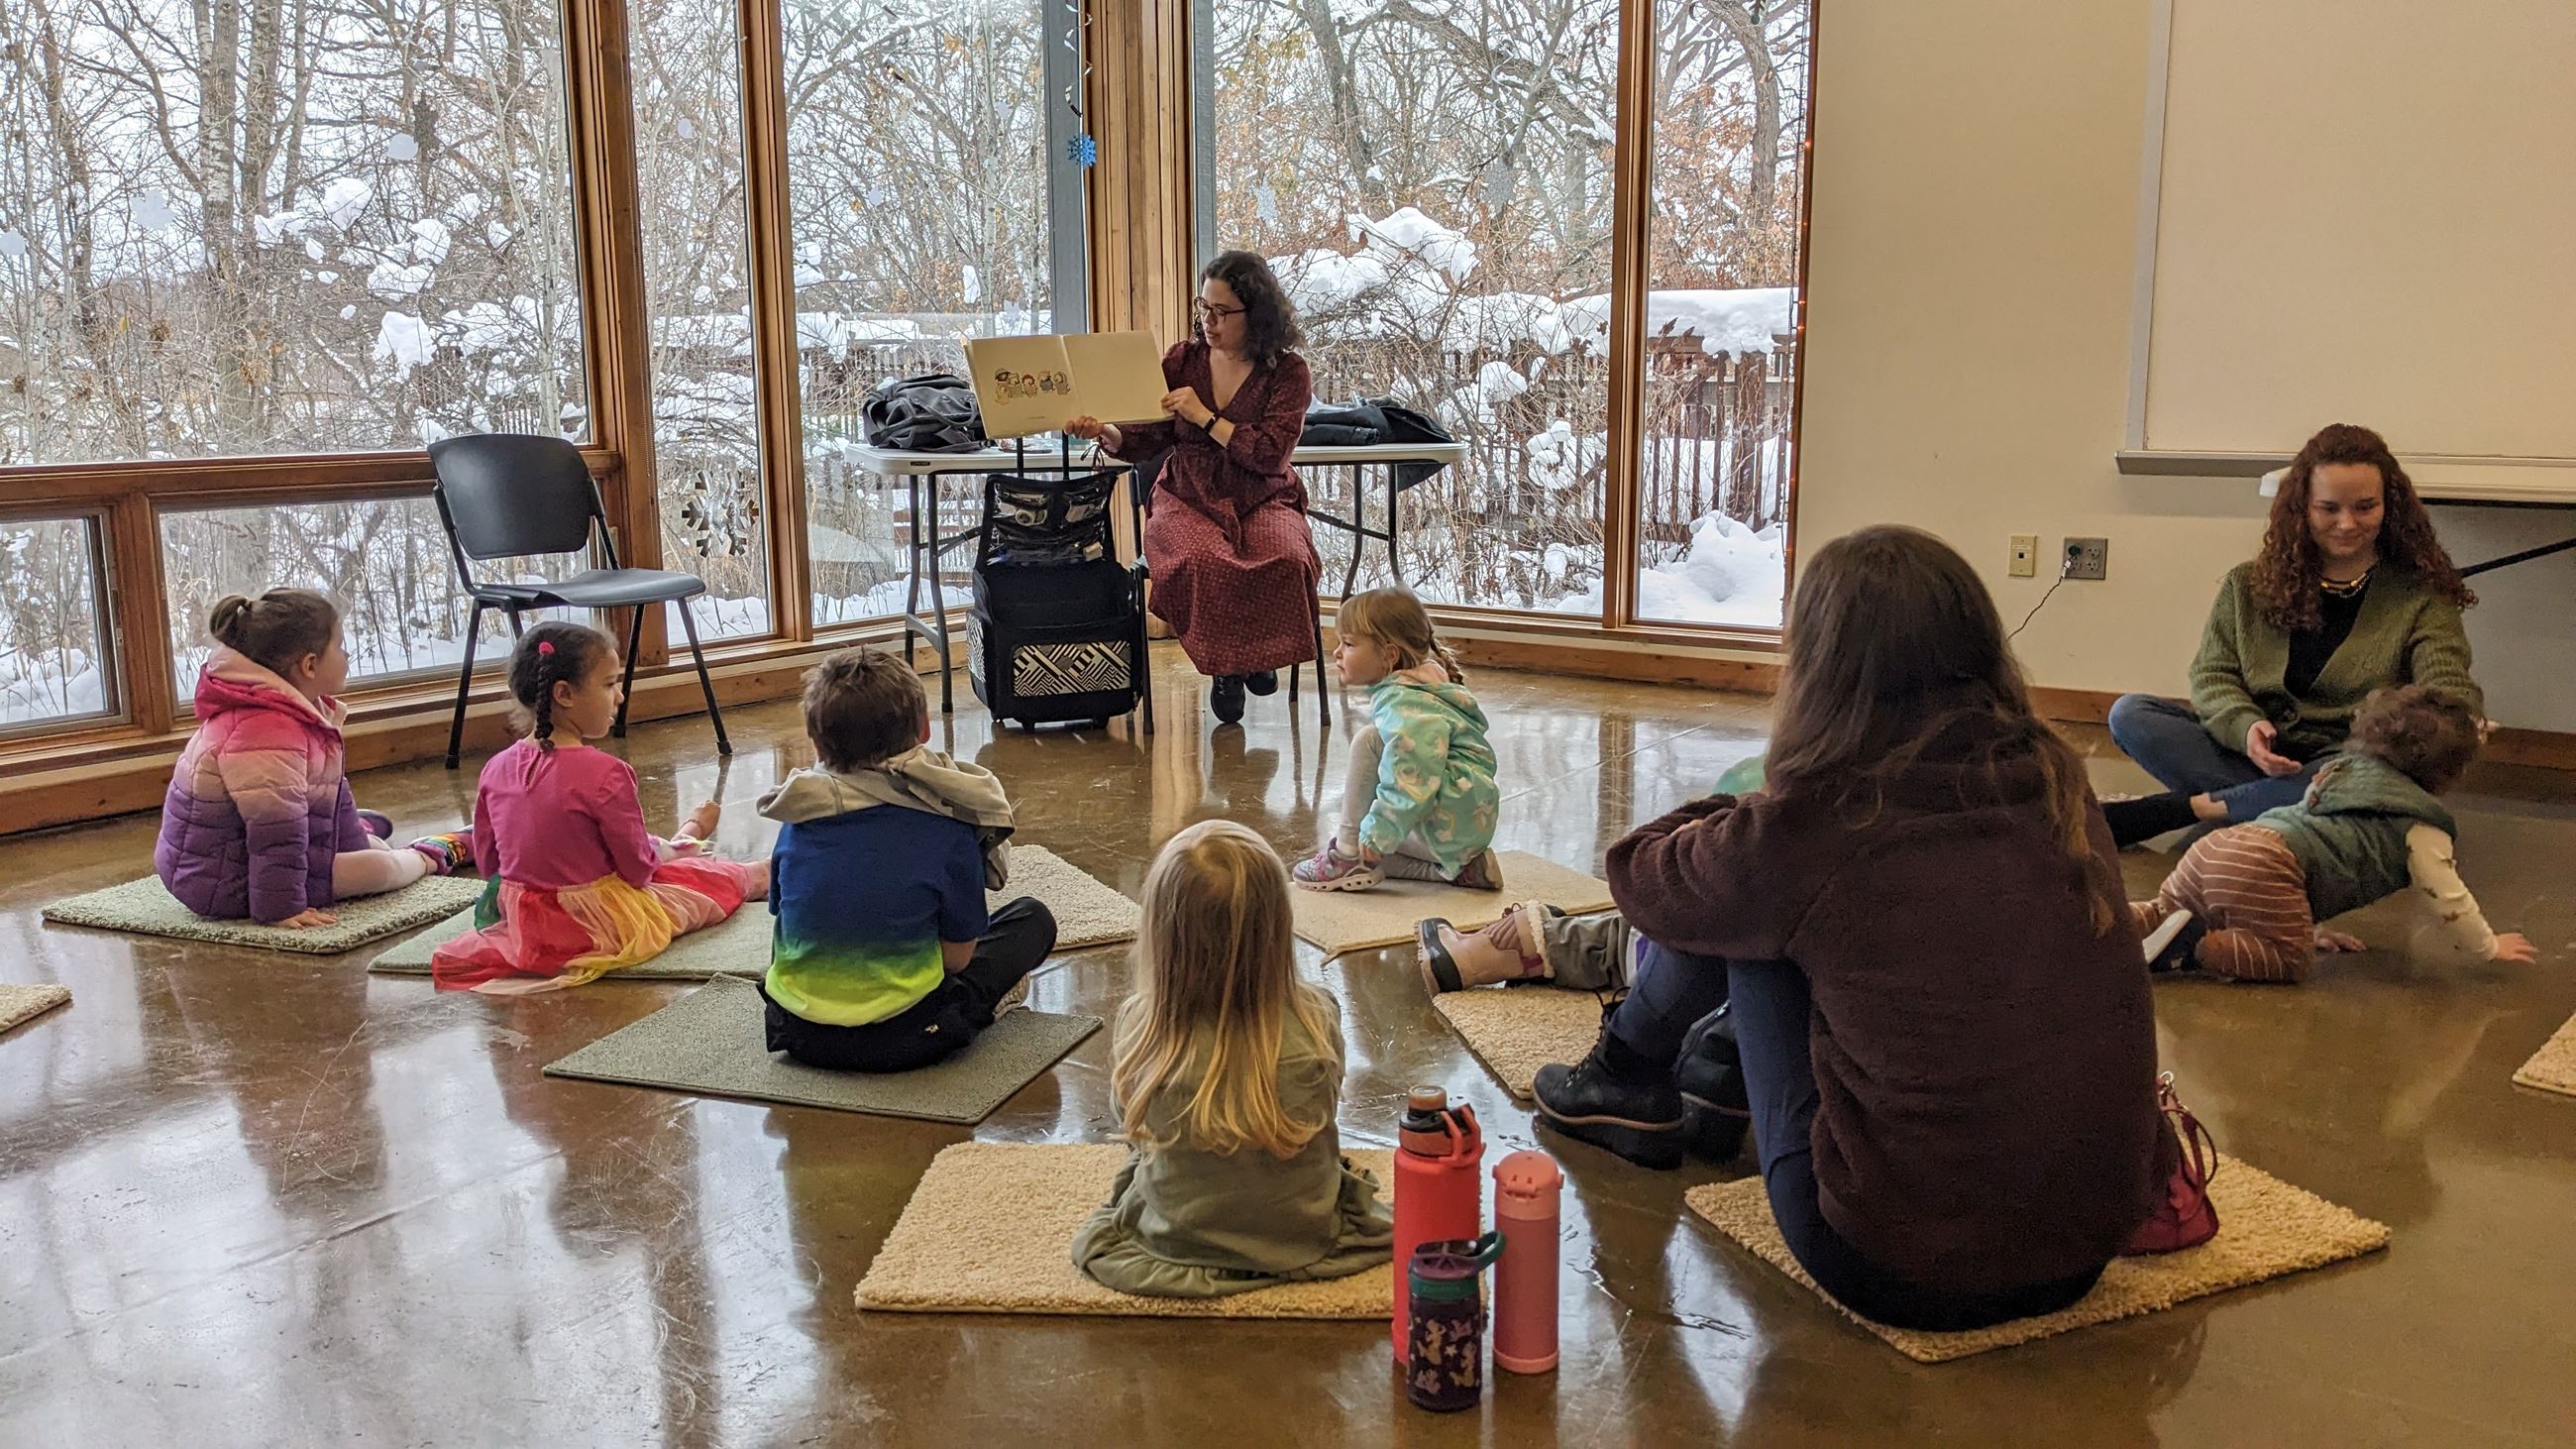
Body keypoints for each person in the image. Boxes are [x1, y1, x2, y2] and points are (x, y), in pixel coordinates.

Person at [1531, 525, 2169, 1333]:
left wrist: (1749, 811)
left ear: (1819, 668)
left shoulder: (1826, 818)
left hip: (1895, 1264)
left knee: (1740, 915)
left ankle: (1625, 1074)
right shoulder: (2054, 778)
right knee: (1780, 906)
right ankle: (1716, 1079)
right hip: (2087, 1246)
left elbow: (1640, 874)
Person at [2103, 423, 2480, 847]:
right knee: (2131, 714)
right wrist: (2245, 728)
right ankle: (2300, 813)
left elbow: (2446, 685)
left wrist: (2450, 717)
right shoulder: (2246, 584)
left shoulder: (2422, 595)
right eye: (2329, 508)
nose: (2346, 523)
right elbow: (2212, 676)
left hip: (2351, 759)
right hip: (2253, 760)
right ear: (2302, 507)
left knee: (2369, 775)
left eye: (2365, 507)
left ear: (2389, 507)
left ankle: (2197, 809)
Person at [1072, 821, 1394, 1297]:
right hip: (1302, 1239)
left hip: (1173, 1242)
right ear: (1278, 930)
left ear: (1161, 937)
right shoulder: (1316, 1019)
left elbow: (1135, 1138)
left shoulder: (1140, 1028)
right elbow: (1326, 1111)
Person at [755, 647, 1058, 1071]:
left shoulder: (797, 819)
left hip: (794, 1031)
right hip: (906, 1038)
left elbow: (783, 919)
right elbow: (956, 959)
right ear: (924, 729)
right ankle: (981, 1009)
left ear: (817, 744)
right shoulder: (949, 828)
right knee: (1032, 919)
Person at [431, 622, 766, 992]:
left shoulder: (494, 769)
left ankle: (688, 836)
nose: (620, 697)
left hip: (523, 924)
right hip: (593, 924)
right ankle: (754, 869)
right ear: (564, 694)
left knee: (659, 857)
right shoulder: (607, 773)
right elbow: (638, 869)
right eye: (609, 685)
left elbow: (490, 862)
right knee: (701, 880)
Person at [1066, 251, 1321, 726]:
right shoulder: (1182, 361)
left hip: (1262, 492)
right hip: (1188, 493)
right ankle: (1229, 665)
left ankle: (1256, 654)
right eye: (1203, 307)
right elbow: (1146, 437)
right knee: (1203, 558)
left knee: (1285, 555)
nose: (1208, 320)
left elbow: (1269, 455)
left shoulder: (1288, 372)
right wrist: (1105, 431)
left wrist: (1205, 417)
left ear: (1257, 313)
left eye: (1222, 312)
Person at [2133, 685, 2537, 981]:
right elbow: (2447, 897)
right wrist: (2488, 946)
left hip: (2223, 842)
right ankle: (2196, 946)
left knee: (2164, 908)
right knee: (2287, 960)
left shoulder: (2339, 771)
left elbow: (2319, 844)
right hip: (2264, 863)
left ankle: (2105, 919)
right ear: (2452, 770)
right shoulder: (2421, 824)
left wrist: (2304, 924)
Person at [156, 590, 471, 928]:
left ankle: (355, 832)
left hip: (241, 856)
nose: (346, 655)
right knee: (382, 868)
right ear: (309, 665)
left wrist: (352, 843)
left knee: (372, 848)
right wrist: (281, 908)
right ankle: (432, 854)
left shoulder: (295, 708)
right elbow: (275, 831)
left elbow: (329, 784)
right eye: (339, 646)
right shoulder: (265, 733)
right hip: (224, 882)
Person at [1290, 588, 1503, 892]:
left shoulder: (1402, 702)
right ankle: (1465, 871)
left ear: (1389, 655)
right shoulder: (1425, 685)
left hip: (1447, 826)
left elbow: (1413, 772)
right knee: (1376, 853)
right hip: (1464, 827)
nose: (1337, 652)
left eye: (1349, 644)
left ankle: (1346, 854)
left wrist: (1380, 829)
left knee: (1368, 742)